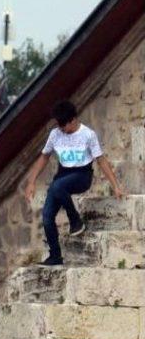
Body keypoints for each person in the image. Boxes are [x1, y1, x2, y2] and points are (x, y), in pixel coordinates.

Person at [24, 100, 124, 266]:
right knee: (47, 217)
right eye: (59, 125)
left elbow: (101, 160)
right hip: (63, 175)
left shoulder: (88, 135)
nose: (62, 129)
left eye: (64, 125)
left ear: (73, 120)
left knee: (57, 186)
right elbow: (44, 157)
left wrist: (116, 186)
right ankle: (55, 256)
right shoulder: (55, 134)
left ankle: (75, 220)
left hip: (82, 175)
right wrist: (31, 182)